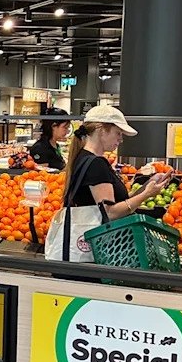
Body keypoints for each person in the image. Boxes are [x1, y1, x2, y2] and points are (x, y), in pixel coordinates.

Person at [45, 105, 170, 262]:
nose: (121, 139)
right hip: (95, 254)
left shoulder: (85, 158)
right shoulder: (95, 164)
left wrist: (148, 186)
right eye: (118, 133)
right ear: (101, 130)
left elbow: (115, 202)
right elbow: (110, 213)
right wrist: (146, 195)